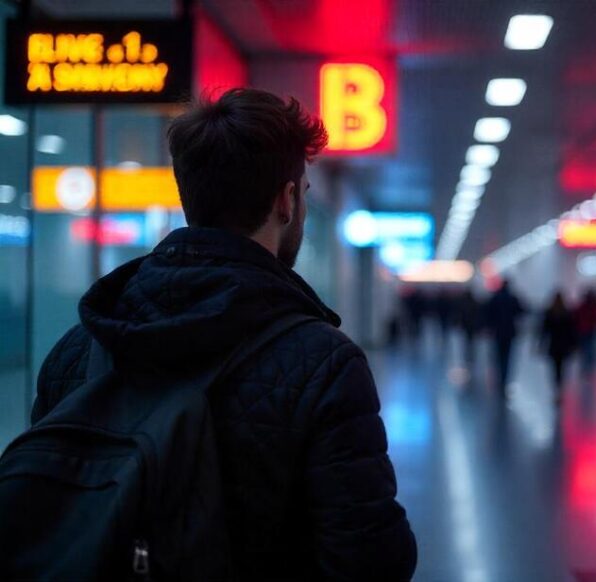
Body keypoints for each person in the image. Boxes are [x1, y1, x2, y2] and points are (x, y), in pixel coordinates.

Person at [31, 89, 417, 579]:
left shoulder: (77, 349)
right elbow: (369, 559)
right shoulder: (324, 363)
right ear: (288, 199)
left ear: (188, 193)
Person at [485, 280, 526, 396]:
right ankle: (504, 378)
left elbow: (488, 313)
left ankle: (500, 377)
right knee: (507, 356)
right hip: (509, 332)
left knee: (498, 355)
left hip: (497, 332)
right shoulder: (512, 298)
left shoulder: (495, 298)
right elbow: (521, 311)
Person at [539, 292, 577, 403]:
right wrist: (574, 345)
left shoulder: (550, 313)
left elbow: (544, 331)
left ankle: (556, 388)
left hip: (554, 346)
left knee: (555, 369)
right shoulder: (567, 313)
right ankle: (559, 388)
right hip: (564, 346)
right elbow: (572, 331)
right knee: (562, 368)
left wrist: (541, 344)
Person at [575, 289, 596, 379]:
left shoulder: (584, 306)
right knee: (589, 349)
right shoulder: (594, 307)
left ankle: (585, 367)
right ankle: (587, 368)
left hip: (584, 330)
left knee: (585, 349)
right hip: (590, 330)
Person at [456, 288, 482, 364]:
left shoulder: (463, 303)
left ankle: (469, 352)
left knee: (468, 339)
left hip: (467, 325)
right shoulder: (475, 303)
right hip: (472, 325)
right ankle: (471, 352)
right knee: (471, 339)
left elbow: (460, 315)